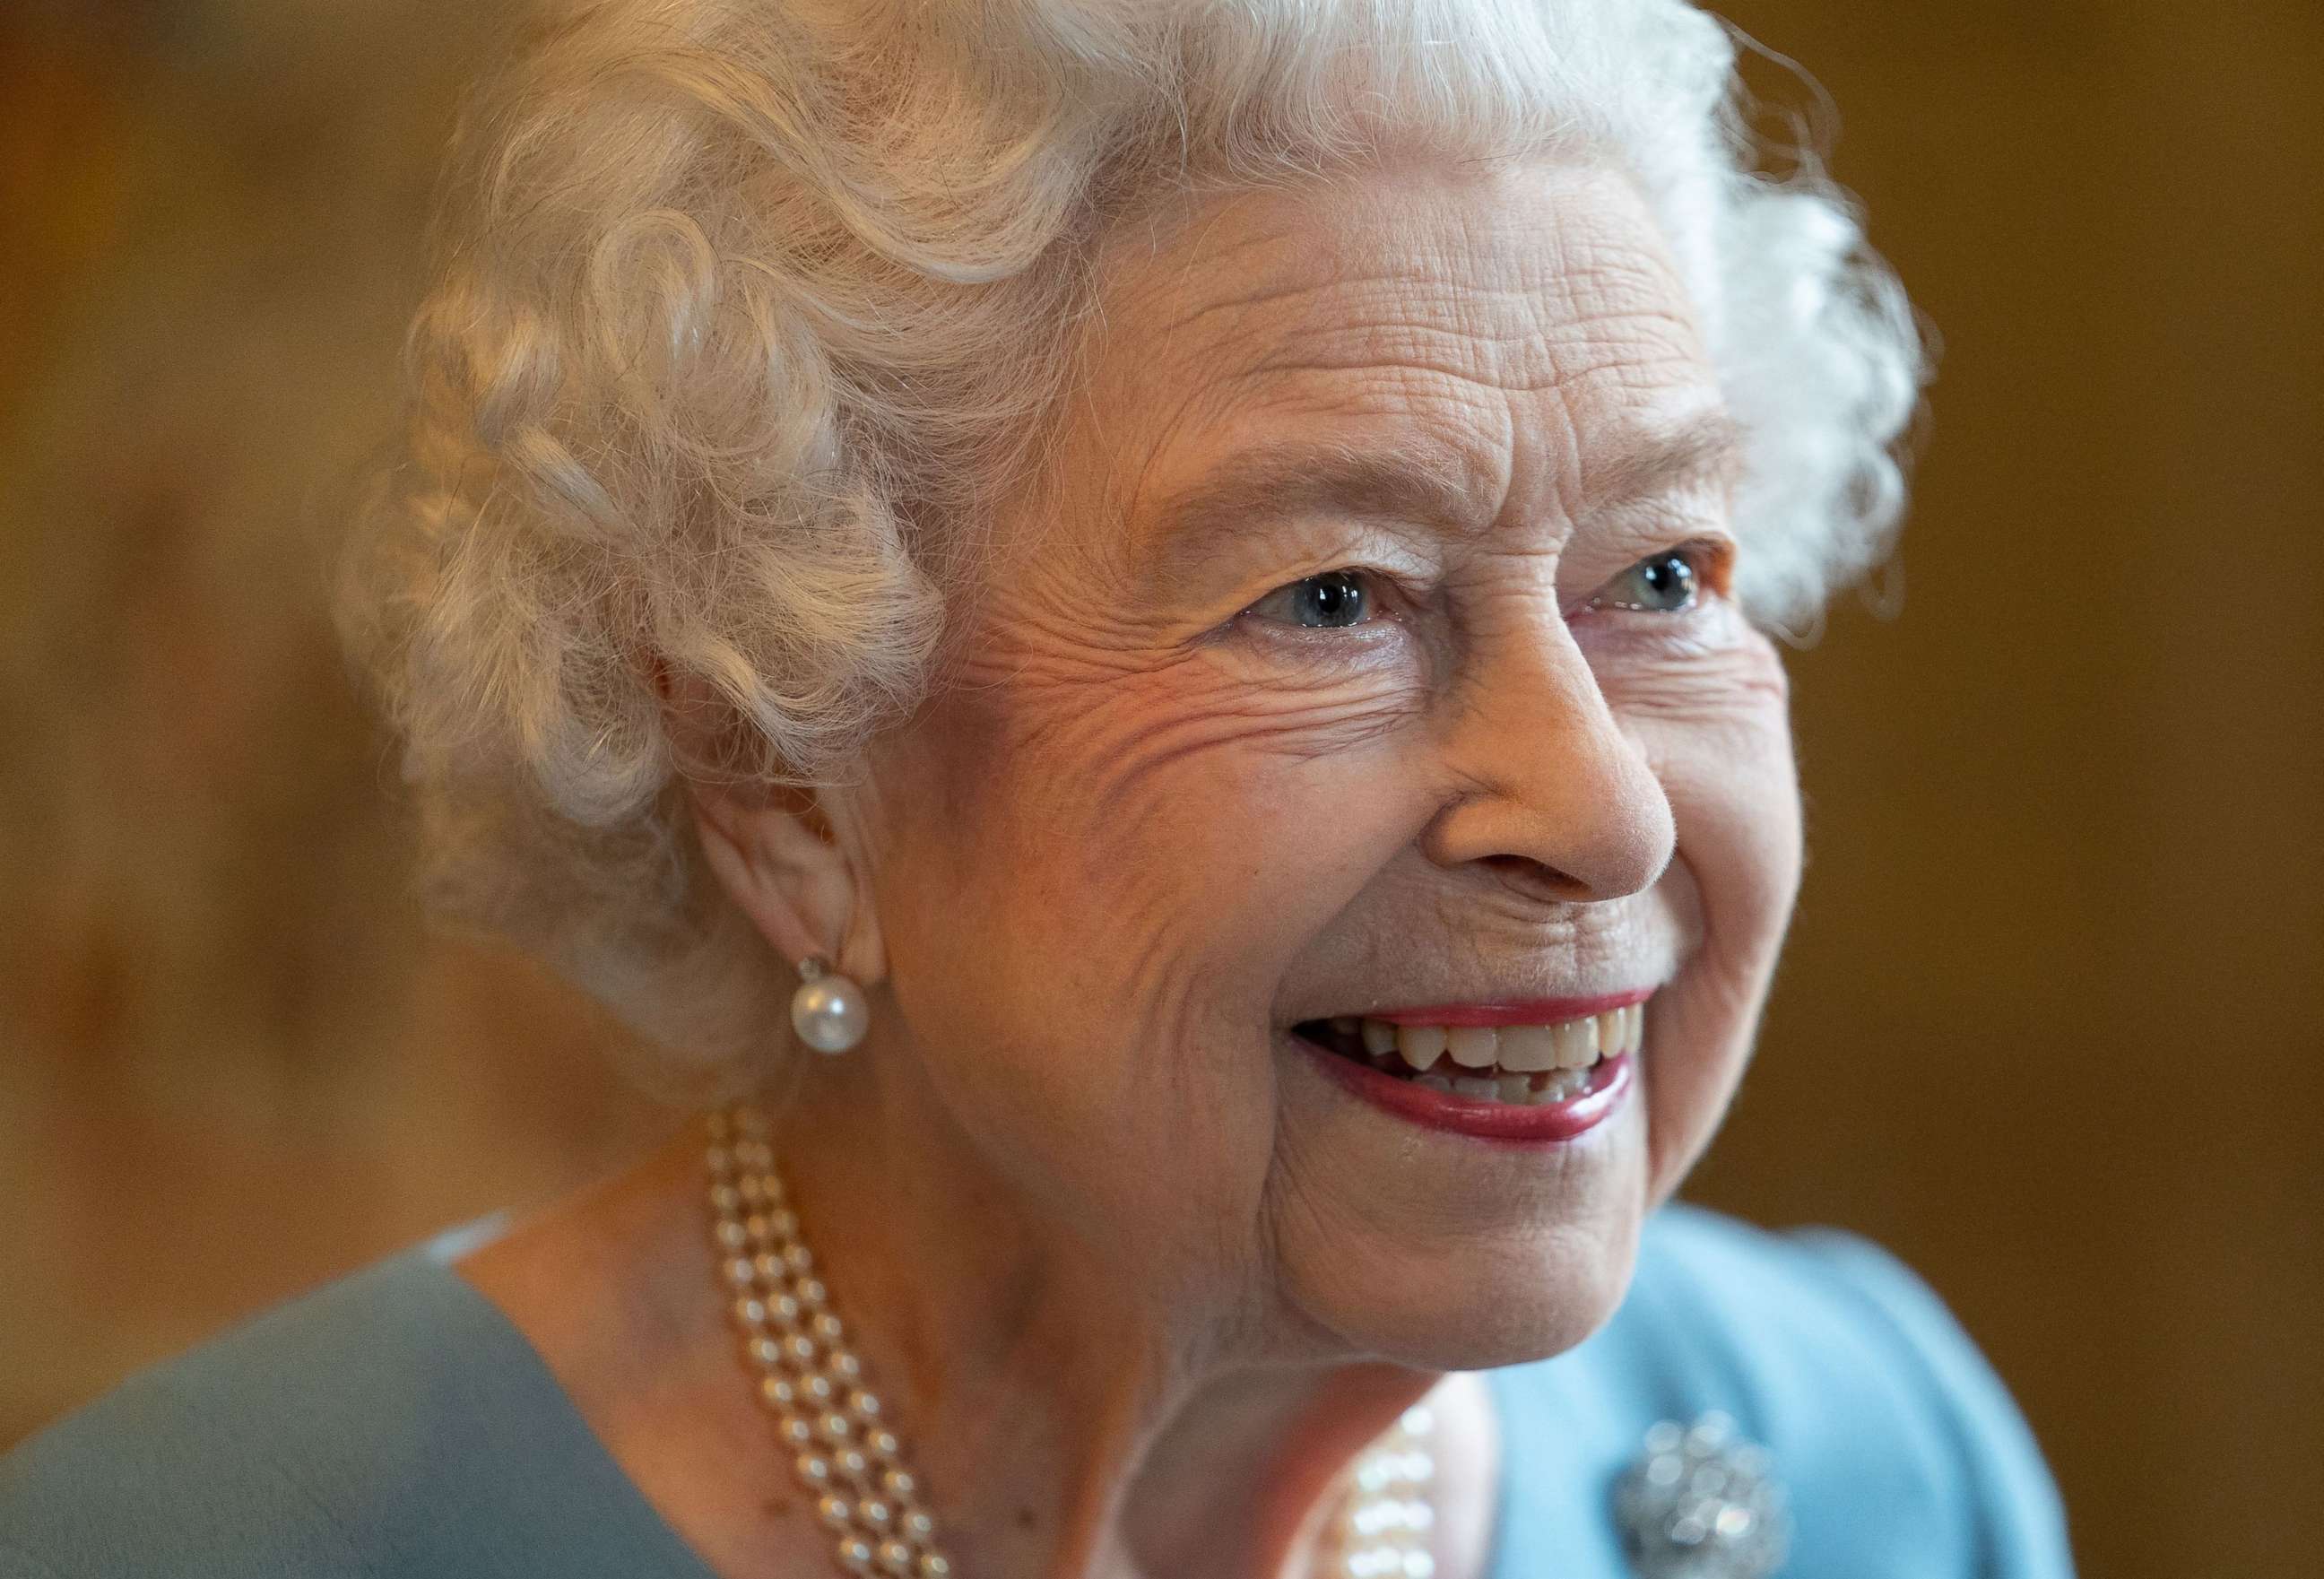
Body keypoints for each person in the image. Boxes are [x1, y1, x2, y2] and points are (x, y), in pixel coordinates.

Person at [0, 1, 2076, 1575]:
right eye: (1330, 595)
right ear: (781, 776)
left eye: (1661, 574)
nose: (1605, 811)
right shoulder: (201, 1537)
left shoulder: (1877, 1453)